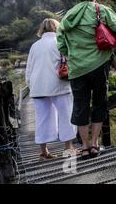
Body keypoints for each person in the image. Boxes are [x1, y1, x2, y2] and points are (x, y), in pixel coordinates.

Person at [57, 0, 116, 159]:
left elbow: (61, 45)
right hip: (99, 66)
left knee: (80, 106)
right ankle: (96, 144)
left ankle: (84, 146)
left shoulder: (66, 18)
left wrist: (74, 54)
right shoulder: (101, 10)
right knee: (99, 103)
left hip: (76, 69)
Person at [25, 19, 77, 160]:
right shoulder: (60, 42)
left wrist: (30, 85)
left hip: (38, 87)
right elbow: (70, 61)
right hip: (59, 85)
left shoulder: (35, 46)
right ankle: (68, 148)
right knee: (66, 116)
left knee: (42, 119)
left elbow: (29, 69)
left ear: (42, 29)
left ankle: (44, 151)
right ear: (57, 28)